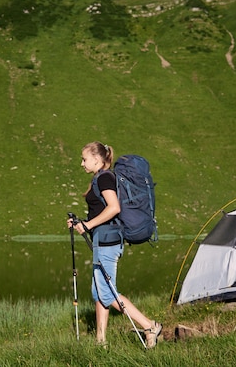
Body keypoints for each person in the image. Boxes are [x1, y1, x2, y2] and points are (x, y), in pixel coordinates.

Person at [67, 141, 162, 348]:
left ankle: (149, 325)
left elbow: (114, 208)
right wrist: (82, 222)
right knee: (99, 293)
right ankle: (100, 341)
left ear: (96, 159)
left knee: (108, 293)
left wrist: (88, 224)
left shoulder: (105, 178)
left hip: (108, 243)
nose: (82, 163)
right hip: (103, 240)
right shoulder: (101, 178)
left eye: (84, 159)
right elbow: (101, 211)